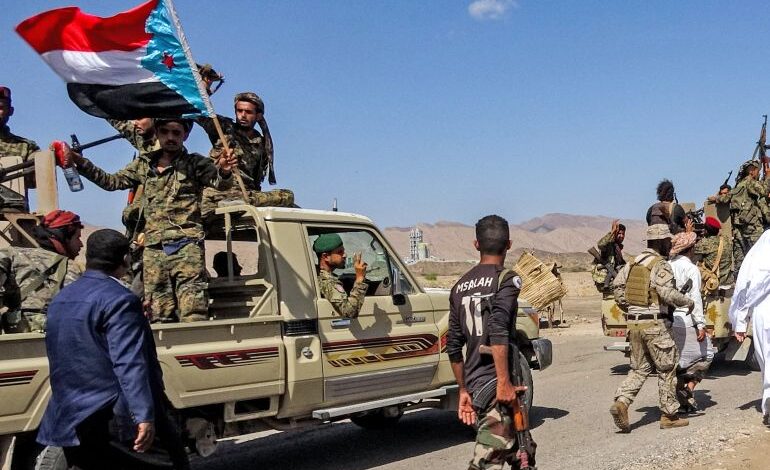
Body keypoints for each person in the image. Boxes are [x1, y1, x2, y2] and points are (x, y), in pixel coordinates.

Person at [36, 229, 189, 469]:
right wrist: (143, 415)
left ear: (89, 257)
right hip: (114, 414)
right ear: (126, 259)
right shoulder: (120, 299)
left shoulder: (62, 298)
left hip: (72, 414)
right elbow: (129, 362)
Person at [63, 118, 237, 322]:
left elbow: (220, 184)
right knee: (158, 314)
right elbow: (112, 182)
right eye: (165, 132)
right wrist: (80, 162)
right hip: (154, 250)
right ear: (157, 133)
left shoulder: (195, 163)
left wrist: (224, 171)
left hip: (186, 247)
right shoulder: (144, 164)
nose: (170, 137)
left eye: (176, 133)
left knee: (193, 311)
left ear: (185, 135)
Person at [446, 215, 535, 469]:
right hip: (497, 388)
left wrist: (463, 390)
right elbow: (498, 327)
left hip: (477, 385)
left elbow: (453, 346)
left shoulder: (459, 287)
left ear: (477, 245)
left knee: (523, 452)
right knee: (486, 461)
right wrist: (504, 382)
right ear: (509, 244)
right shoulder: (506, 279)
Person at [609, 224, 695, 431]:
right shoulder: (660, 264)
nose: (670, 244)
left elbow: (617, 288)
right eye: (667, 241)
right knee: (667, 368)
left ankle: (622, 402)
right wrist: (687, 302)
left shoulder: (633, 262)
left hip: (635, 324)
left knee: (639, 369)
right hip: (656, 325)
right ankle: (669, 415)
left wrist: (632, 308)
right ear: (660, 242)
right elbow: (666, 293)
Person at [197, 92, 294, 217]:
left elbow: (256, 181)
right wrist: (204, 90)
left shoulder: (261, 143)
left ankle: (243, 203)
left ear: (258, 115)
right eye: (239, 111)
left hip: (246, 194)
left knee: (287, 195)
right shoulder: (224, 128)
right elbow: (198, 113)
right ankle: (235, 203)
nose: (242, 115)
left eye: (248, 112)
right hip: (218, 192)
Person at [0, 210, 84, 333]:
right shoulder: (72, 268)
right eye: (77, 238)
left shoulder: (13, 254)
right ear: (63, 237)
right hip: (52, 338)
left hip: (14, 338)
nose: (81, 244)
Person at [668, 231, 712, 413]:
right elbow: (695, 298)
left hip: (670, 320)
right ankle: (688, 390)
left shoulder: (667, 265)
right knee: (707, 354)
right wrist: (700, 324)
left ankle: (680, 401)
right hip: (687, 319)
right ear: (690, 248)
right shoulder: (691, 269)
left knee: (678, 360)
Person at [729, 230, 770, 425]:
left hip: (763, 311)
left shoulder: (760, 248)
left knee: (766, 360)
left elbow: (750, 283)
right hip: (765, 309)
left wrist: (741, 319)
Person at [0, 86, 40, 206]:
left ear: (10, 111)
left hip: (12, 212)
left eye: (0, 107)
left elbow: (38, 180)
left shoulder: (26, 147)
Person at [313, 233, 367, 318]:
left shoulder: (319, 275)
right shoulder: (327, 282)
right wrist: (360, 279)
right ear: (326, 257)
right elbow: (349, 312)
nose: (345, 255)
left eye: (343, 251)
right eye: (340, 252)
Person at [730, 160, 769, 270]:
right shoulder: (750, 182)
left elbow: (726, 197)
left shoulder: (739, 185)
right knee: (761, 254)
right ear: (751, 171)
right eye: (757, 171)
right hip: (752, 226)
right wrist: (768, 176)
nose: (758, 173)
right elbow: (764, 191)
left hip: (739, 227)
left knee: (741, 260)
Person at [693, 216, 733, 292]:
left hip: (713, 280)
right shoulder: (726, 240)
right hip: (727, 279)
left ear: (706, 230)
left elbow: (690, 251)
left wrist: (690, 233)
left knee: (695, 265)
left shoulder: (705, 243)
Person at [590, 219, 626, 296]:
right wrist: (612, 232)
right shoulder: (609, 245)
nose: (621, 236)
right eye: (619, 233)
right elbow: (600, 244)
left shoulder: (617, 247)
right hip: (607, 281)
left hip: (615, 279)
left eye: (623, 234)